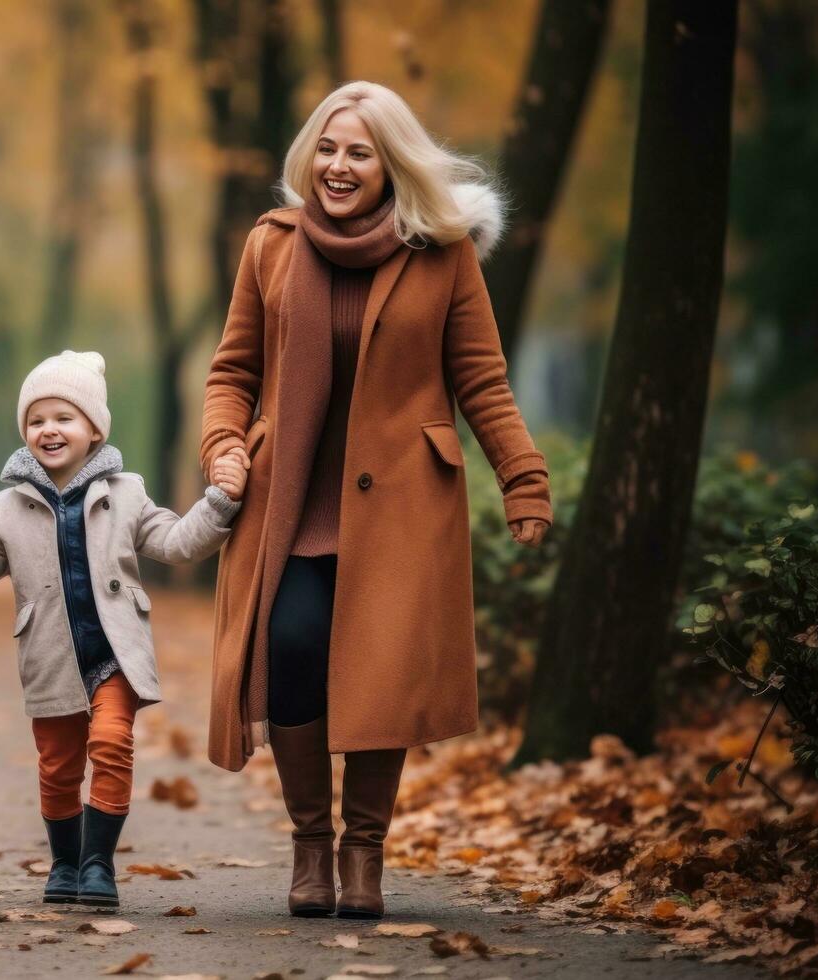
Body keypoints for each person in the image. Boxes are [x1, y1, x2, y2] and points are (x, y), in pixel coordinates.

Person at [201, 80, 553, 920]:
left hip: (399, 507)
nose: (336, 165)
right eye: (325, 148)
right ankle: (310, 844)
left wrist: (523, 478)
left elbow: (481, 380)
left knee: (379, 673)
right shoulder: (272, 246)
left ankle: (364, 853)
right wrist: (222, 446)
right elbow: (232, 372)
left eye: (357, 151)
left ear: (390, 164)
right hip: (291, 503)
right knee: (288, 651)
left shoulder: (443, 251)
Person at [0, 351, 246, 910]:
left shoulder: (127, 494)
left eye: (64, 417)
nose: (49, 430)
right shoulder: (6, 508)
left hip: (114, 651)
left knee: (111, 744)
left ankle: (98, 864)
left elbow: (179, 543)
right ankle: (65, 861)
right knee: (59, 767)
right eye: (36, 420)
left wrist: (221, 502)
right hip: (51, 654)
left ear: (93, 429)